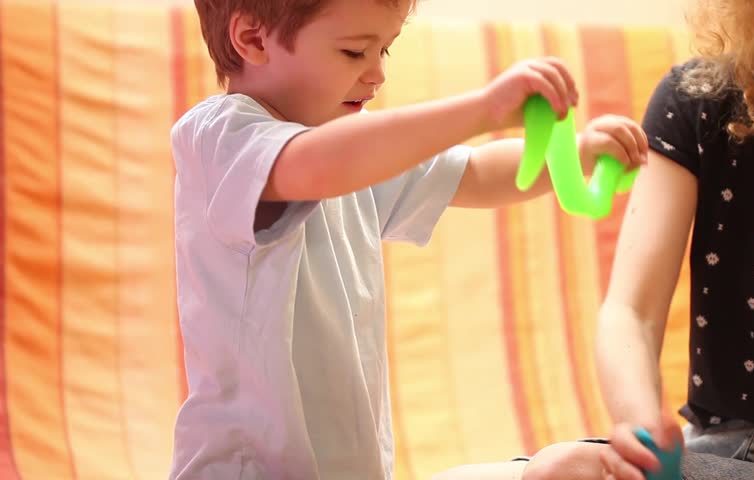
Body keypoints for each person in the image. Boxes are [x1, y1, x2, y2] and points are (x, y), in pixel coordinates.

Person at [170, 0, 648, 478]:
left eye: (386, 50)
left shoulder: (353, 146)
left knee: (567, 469)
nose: (377, 73)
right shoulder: (218, 136)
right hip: (243, 471)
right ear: (252, 40)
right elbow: (314, 166)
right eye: (355, 52)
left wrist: (579, 153)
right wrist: (482, 109)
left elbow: (476, 174)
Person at [434, 0, 754, 479]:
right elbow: (631, 311)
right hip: (725, 449)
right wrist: (643, 434)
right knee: (563, 469)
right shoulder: (697, 98)